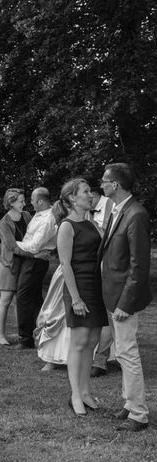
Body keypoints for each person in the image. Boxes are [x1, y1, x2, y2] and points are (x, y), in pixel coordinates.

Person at [99, 163, 152, 432]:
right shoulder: (118, 210)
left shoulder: (136, 214)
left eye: (104, 181)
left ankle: (139, 414)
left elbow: (139, 266)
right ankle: (130, 404)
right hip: (112, 294)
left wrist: (125, 303)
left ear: (115, 185)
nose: (101, 185)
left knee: (128, 353)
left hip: (123, 299)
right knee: (120, 352)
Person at [52, 178, 108, 417]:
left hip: (96, 286)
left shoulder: (93, 224)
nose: (90, 194)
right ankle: (75, 394)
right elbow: (65, 265)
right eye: (86, 191)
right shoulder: (67, 226)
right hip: (78, 287)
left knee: (93, 340)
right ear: (73, 198)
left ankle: (86, 392)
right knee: (79, 341)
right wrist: (75, 299)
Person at [13, 187, 56, 349]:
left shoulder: (48, 219)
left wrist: (12, 244)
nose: (30, 202)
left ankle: (25, 338)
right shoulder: (38, 215)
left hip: (36, 261)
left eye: (32, 199)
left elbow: (34, 246)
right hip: (31, 259)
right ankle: (41, 332)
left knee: (23, 297)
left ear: (40, 201)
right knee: (35, 298)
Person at [0, 188, 31, 345]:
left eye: (24, 200)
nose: (25, 203)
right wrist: (32, 253)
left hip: (25, 262)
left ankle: (22, 333)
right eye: (21, 201)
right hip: (9, 264)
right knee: (6, 299)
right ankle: (1, 335)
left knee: (21, 299)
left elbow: (33, 235)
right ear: (11, 202)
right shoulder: (4, 222)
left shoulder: (27, 216)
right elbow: (11, 246)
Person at [89, 188, 115, 377]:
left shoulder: (109, 205)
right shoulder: (83, 209)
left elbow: (107, 236)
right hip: (89, 265)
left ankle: (101, 359)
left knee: (109, 313)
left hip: (107, 265)